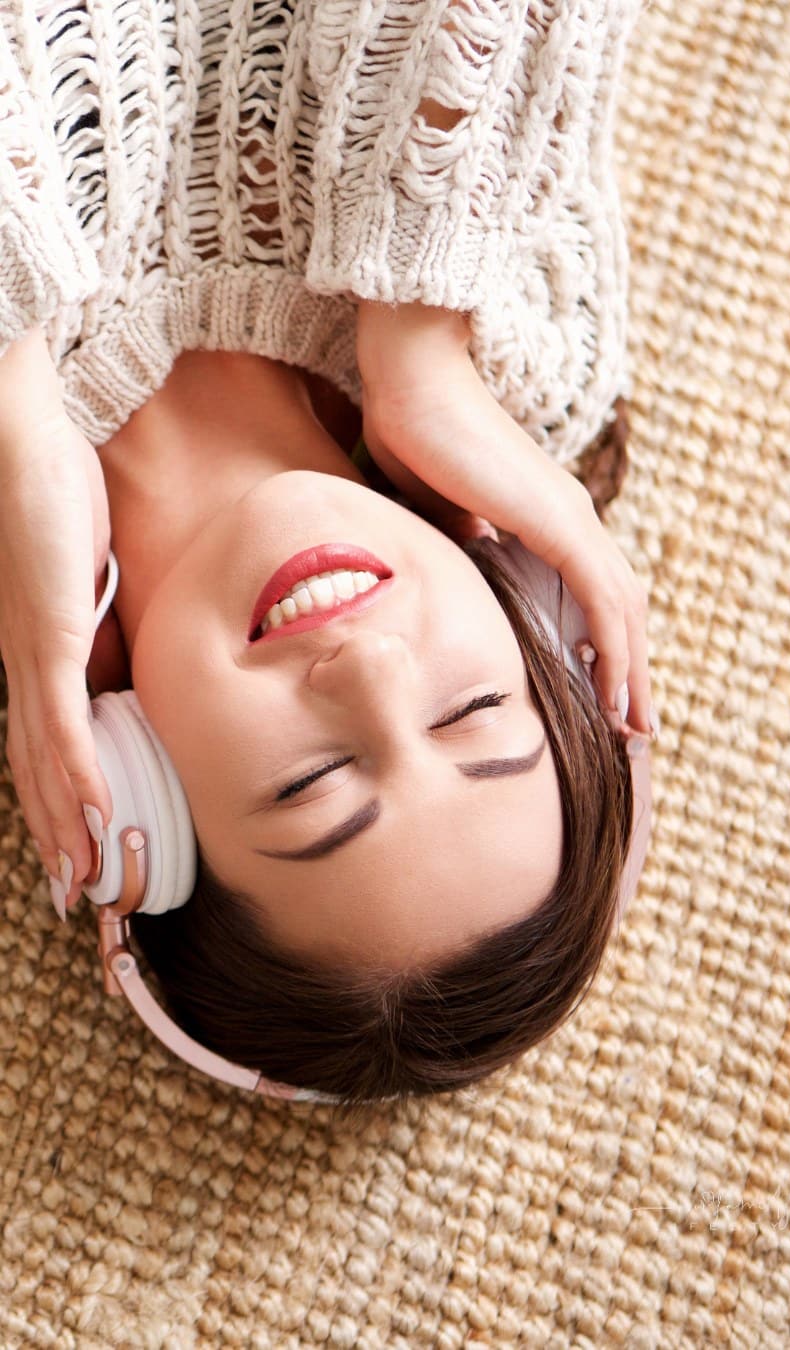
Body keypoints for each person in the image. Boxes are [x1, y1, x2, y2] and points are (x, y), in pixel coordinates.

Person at [0, 0, 657, 1103]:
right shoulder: (522, 346)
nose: (370, 671)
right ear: (535, 621)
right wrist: (415, 326)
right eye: (472, 714)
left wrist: (16, 404)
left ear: (129, 784)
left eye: (311, 781)